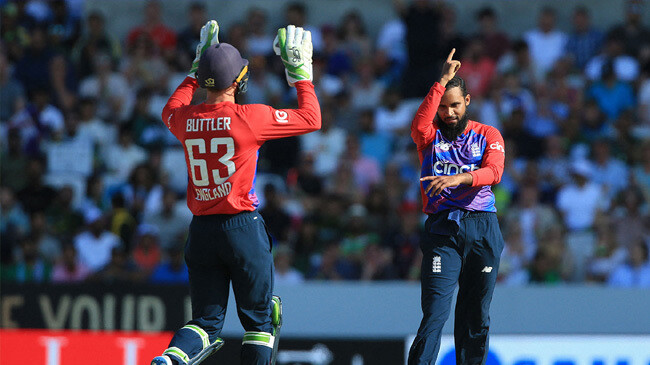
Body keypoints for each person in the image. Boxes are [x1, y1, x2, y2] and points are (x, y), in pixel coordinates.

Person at [151, 21, 320, 365]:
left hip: (200, 231)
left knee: (204, 323)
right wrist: (300, 75)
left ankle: (171, 358)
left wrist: (193, 72)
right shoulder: (249, 117)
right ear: (240, 80)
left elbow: (169, 109)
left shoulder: (185, 119)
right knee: (260, 321)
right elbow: (311, 118)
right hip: (242, 228)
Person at [407, 49, 506, 364]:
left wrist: (459, 179)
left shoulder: (487, 134)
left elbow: (495, 172)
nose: (448, 113)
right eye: (443, 107)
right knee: (435, 312)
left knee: (476, 314)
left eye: (455, 105)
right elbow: (419, 123)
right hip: (444, 230)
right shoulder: (430, 137)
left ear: (468, 103)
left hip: (482, 228)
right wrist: (440, 83)